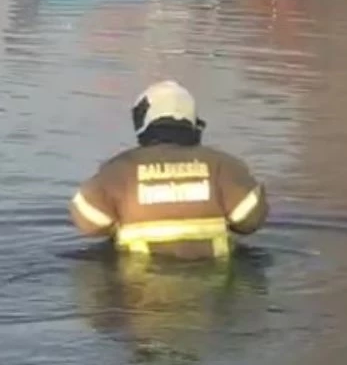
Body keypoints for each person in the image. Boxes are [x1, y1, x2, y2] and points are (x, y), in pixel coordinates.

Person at [69, 79, 267, 260]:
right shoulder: (224, 166)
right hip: (211, 289)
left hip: (139, 289)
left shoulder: (119, 170)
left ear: (143, 119)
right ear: (192, 121)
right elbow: (249, 220)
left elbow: (88, 222)